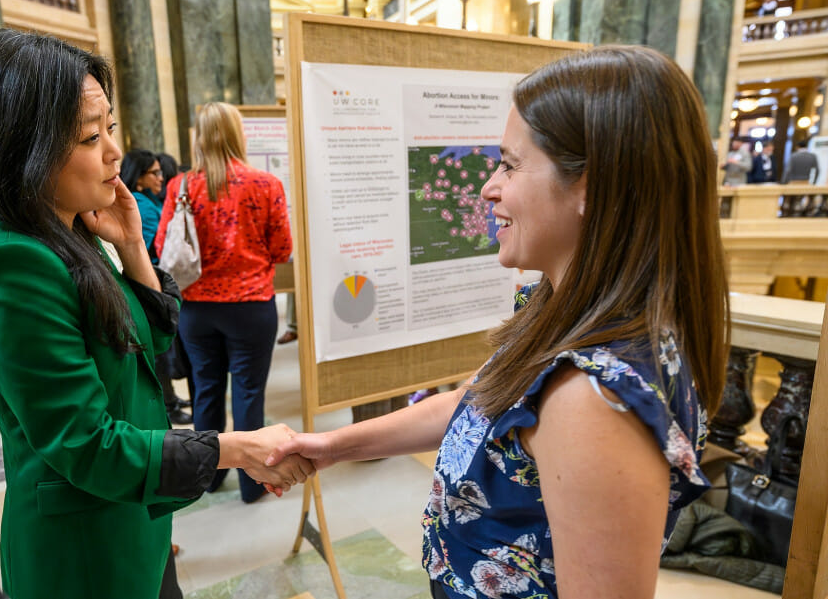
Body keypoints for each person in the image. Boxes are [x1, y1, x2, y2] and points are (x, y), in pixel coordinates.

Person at [267, 46, 729, 599]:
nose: (489, 187)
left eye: (509, 165)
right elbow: (480, 402)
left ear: (590, 184)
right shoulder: (559, 307)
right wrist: (333, 447)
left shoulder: (593, 400)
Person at [0, 29, 312, 599]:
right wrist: (233, 448)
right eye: (89, 135)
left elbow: (145, 343)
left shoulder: (67, 227)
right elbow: (87, 443)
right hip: (86, 550)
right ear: (19, 148)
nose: (114, 151)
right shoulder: (10, 259)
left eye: (110, 126)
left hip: (132, 517)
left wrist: (133, 248)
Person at [156, 102, 293, 503]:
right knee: (249, 392)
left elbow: (164, 246)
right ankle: (253, 485)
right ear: (238, 134)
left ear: (199, 136)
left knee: (206, 390)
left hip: (196, 307)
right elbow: (282, 249)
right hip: (251, 306)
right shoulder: (265, 185)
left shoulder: (181, 186)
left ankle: (210, 478)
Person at [119, 149, 192, 426]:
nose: (161, 177)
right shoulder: (141, 205)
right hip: (148, 285)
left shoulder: (146, 201)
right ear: (139, 178)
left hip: (152, 282)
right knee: (159, 353)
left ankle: (170, 400)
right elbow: (153, 247)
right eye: (155, 172)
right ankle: (169, 404)